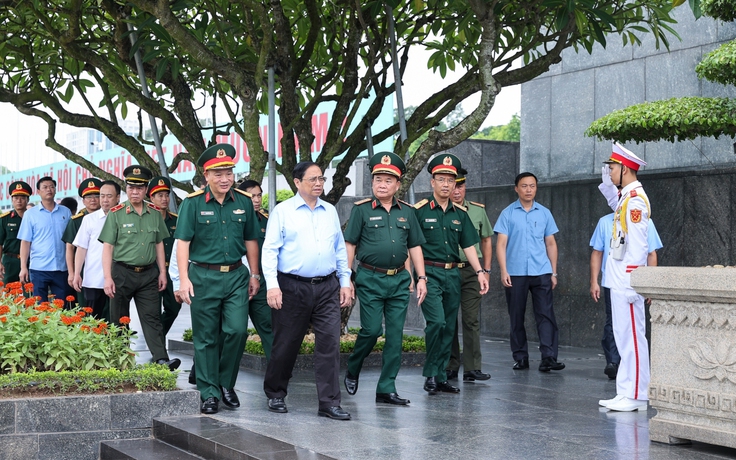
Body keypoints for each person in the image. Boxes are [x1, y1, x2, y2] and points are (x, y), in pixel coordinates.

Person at [261, 161, 353, 420]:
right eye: (312, 179)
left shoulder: (330, 211)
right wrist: (273, 286)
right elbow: (270, 250)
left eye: (321, 179)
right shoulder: (282, 211)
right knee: (286, 344)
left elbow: (338, 249)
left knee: (329, 344)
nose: (318, 184)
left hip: (326, 287)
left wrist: (345, 281)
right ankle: (276, 393)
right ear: (297, 182)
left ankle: (329, 402)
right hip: (292, 286)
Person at [174, 144, 261, 415]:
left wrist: (255, 273)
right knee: (206, 338)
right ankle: (209, 392)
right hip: (203, 276)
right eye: (218, 173)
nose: (225, 179)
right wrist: (184, 279)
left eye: (229, 173)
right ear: (206, 174)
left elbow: (251, 240)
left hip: (236, 275)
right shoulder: (193, 203)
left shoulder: (244, 201)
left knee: (236, 331)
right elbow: (182, 242)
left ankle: (226, 384)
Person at [343, 152, 427, 406]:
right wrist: (346, 279)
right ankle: (353, 366)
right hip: (370, 278)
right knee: (370, 331)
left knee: (395, 336)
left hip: (399, 280)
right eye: (378, 179)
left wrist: (420, 277)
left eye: (388, 180)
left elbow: (414, 247)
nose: (382, 184)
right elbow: (349, 245)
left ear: (398, 185)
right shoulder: (362, 211)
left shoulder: (408, 213)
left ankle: (386, 387)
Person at [414, 154, 489, 395]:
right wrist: (415, 276)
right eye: (441, 179)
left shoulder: (460, 214)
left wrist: (480, 272)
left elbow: (469, 246)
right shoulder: (420, 212)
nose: (446, 184)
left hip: (453, 275)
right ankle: (430, 373)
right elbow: (410, 246)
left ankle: (442, 375)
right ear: (432, 182)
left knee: (448, 327)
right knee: (436, 323)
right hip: (430, 273)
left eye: (451, 180)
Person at [98, 165, 179, 372]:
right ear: (126, 188)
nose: (135, 192)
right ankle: (119, 359)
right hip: (122, 273)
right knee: (118, 319)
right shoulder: (116, 213)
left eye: (139, 188)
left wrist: (162, 272)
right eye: (131, 187)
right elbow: (107, 247)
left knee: (152, 317)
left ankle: (161, 358)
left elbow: (159, 243)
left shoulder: (154, 213)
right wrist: (107, 278)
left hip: (148, 274)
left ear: (145, 190)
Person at [598, 143, 652, 412]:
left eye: (613, 168)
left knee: (632, 337)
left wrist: (635, 281)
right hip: (618, 279)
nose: (609, 172)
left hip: (627, 280)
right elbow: (612, 201)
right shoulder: (625, 197)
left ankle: (638, 394)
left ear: (626, 169)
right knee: (622, 337)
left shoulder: (636, 201)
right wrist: (608, 181)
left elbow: (640, 245)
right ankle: (625, 391)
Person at [494, 172, 564, 372]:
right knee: (516, 315)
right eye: (524, 186)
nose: (528, 190)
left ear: (536, 188)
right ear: (516, 188)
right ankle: (520, 357)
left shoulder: (544, 213)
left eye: (532, 186)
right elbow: (501, 244)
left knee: (546, 314)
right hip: (515, 273)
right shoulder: (508, 213)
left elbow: (551, 243)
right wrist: (503, 270)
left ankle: (548, 357)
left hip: (541, 271)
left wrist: (554, 272)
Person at [590, 210, 662, 380]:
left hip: (636, 282)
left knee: (635, 323)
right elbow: (597, 252)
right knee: (613, 320)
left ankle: (634, 364)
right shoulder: (605, 222)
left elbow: (651, 253)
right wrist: (594, 281)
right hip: (612, 281)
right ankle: (613, 362)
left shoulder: (645, 221)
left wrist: (650, 284)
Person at [445, 168, 493, 382]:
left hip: (472, 271)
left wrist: (486, 270)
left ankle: (472, 367)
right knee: (449, 320)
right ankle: (451, 365)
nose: (457, 191)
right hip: (448, 270)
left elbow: (486, 241)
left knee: (471, 320)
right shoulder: (439, 211)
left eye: (461, 186)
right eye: (454, 186)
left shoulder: (476, 211)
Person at [237, 179, 274, 360]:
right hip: (237, 279)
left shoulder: (267, 221)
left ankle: (277, 372)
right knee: (233, 330)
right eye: (252, 196)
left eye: (259, 195)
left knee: (268, 325)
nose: (257, 200)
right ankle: (200, 369)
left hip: (261, 280)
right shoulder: (234, 219)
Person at [18, 176, 72, 301]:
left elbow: (70, 241)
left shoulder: (66, 212)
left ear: (55, 190)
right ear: (38, 191)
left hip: (61, 268)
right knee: (39, 307)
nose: (49, 190)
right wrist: (23, 267)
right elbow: (25, 242)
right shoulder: (30, 214)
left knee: (62, 307)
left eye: (52, 187)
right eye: (45, 187)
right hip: (38, 268)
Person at [72, 181, 120, 319]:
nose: (104, 200)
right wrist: (76, 274)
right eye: (102, 196)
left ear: (117, 197)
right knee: (93, 320)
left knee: (117, 319)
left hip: (118, 278)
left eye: (109, 196)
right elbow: (81, 248)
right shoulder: (89, 219)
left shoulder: (124, 218)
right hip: (93, 279)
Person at [147, 176, 182, 336]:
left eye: (167, 195)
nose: (164, 199)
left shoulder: (177, 220)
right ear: (151, 197)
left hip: (173, 271)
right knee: (152, 312)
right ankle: (158, 347)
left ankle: (157, 338)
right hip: (151, 272)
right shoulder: (145, 221)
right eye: (160, 195)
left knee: (174, 308)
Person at [63, 178, 102, 309]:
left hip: (105, 270)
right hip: (84, 270)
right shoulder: (76, 221)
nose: (93, 200)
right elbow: (70, 248)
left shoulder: (111, 217)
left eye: (97, 196)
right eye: (89, 196)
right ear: (83, 200)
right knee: (86, 309)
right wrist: (72, 273)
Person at [0, 181, 32, 284]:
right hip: (10, 261)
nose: (19, 201)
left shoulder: (33, 218)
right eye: (16, 198)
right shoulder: (5, 219)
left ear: (27, 200)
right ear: (12, 200)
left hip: (30, 261)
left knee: (30, 294)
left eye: (22, 198)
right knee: (10, 294)